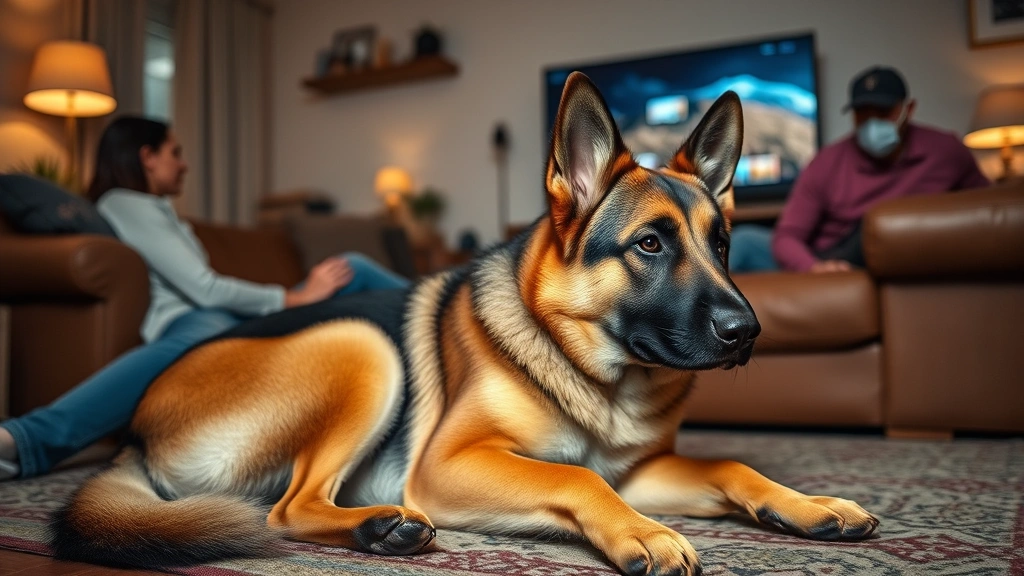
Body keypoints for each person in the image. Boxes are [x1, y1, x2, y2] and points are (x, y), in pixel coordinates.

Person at [0, 117, 409, 480]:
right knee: (223, 323)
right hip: (200, 320)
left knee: (351, 268)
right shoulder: (126, 203)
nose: (184, 163)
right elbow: (204, 289)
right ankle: (23, 440)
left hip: (219, 320)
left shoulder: (158, 211)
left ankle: (443, 305)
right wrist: (294, 297)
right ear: (147, 157)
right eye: (175, 153)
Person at [728, 66, 990, 274]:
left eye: (883, 111)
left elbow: (988, 210)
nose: (872, 123)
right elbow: (787, 237)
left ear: (908, 110)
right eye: (863, 113)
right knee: (741, 241)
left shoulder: (946, 151)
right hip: (831, 256)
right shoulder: (827, 163)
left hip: (907, 255)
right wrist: (815, 268)